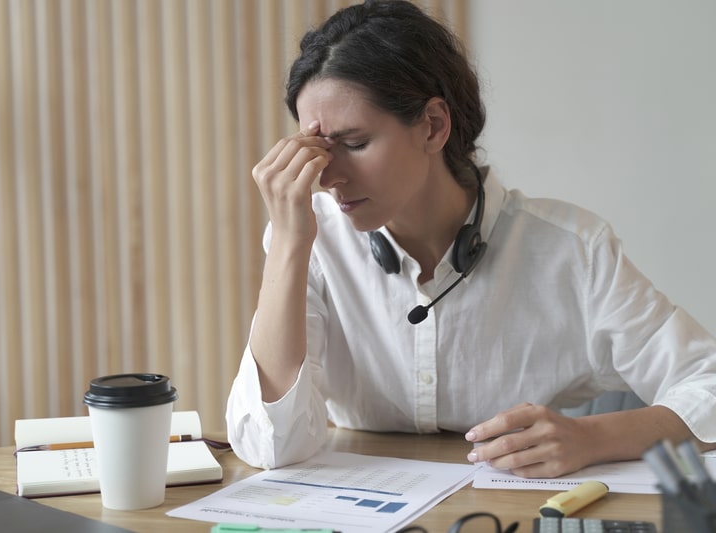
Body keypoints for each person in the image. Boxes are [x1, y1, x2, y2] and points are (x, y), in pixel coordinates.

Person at [225, 0, 716, 478]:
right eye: (315, 150)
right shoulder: (310, 239)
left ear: (434, 126)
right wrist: (289, 244)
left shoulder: (571, 249)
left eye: (354, 144)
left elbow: (708, 387)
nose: (327, 178)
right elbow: (272, 444)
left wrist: (594, 437)